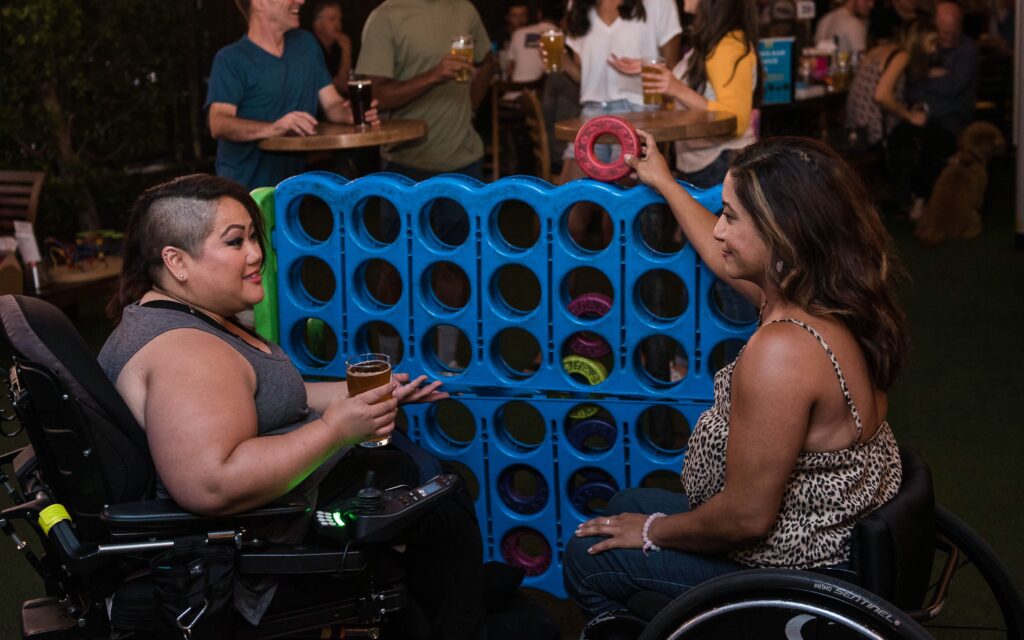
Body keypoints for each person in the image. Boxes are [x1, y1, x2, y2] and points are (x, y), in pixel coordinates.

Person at [99, 174, 485, 639]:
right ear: (177, 261)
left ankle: (457, 601)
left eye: (253, 237)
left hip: (281, 509)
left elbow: (266, 401)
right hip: (253, 547)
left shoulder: (181, 317)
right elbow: (212, 483)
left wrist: (359, 396)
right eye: (235, 241)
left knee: (425, 481)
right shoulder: (186, 352)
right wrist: (335, 431)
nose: (256, 253)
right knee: (440, 498)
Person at [563, 134, 906, 617]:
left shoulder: (781, 353)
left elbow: (746, 518)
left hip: (802, 571)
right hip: (830, 534)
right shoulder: (830, 301)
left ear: (783, 234)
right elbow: (718, 252)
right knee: (626, 500)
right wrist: (663, 180)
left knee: (586, 557)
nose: (719, 230)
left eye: (731, 215)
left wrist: (650, 530)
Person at [206, 0, 378, 190]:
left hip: (290, 190)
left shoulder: (305, 44)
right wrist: (275, 128)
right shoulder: (231, 59)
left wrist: (350, 115)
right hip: (244, 193)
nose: (300, 1)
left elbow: (331, 104)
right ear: (260, 3)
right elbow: (219, 123)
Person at [621, 0, 760, 187]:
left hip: (719, 163)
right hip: (703, 163)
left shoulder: (729, 45)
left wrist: (677, 89)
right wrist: (666, 84)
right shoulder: (710, 43)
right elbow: (693, 101)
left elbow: (736, 120)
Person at [355, 0, 495, 185]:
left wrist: (472, 109)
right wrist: (434, 75)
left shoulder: (465, 9)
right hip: (406, 164)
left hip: (465, 161)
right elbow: (375, 95)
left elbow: (486, 63)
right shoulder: (385, 15)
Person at [551, 0, 683, 183]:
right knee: (571, 199)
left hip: (640, 111)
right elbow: (587, 78)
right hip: (592, 113)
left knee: (626, 202)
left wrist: (646, 69)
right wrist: (562, 61)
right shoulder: (577, 4)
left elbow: (674, 72)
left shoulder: (659, 3)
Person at [895, 2, 977, 218]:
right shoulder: (929, 44)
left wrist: (922, 77)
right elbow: (909, 88)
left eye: (953, 31)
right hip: (921, 113)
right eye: (943, 32)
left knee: (936, 141)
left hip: (953, 116)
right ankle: (904, 196)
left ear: (961, 25)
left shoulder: (967, 50)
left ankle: (922, 198)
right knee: (901, 134)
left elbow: (953, 87)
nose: (947, 37)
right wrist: (928, 74)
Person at [845, 17, 937, 148]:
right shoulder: (902, 56)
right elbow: (881, 95)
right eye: (932, 42)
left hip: (855, 124)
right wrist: (910, 115)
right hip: (874, 129)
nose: (934, 49)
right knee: (930, 133)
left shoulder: (881, 49)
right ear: (918, 41)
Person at [505, 5, 559, 83]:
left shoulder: (518, 34)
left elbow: (510, 69)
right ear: (508, 18)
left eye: (523, 15)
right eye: (515, 16)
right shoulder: (559, 33)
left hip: (518, 89)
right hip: (541, 89)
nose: (520, 19)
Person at [310, 0, 351, 95]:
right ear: (318, 24)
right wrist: (346, 50)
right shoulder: (311, 49)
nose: (338, 24)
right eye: (332, 19)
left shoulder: (335, 50)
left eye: (339, 19)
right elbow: (342, 86)